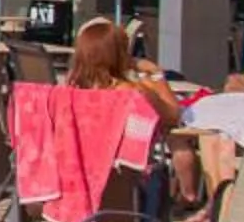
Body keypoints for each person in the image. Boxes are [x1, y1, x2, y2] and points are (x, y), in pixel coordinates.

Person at [68, 16, 199, 206]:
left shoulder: (72, 94)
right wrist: (156, 74)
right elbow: (173, 115)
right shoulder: (134, 94)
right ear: (119, 54)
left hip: (74, 183)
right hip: (121, 187)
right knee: (166, 155)